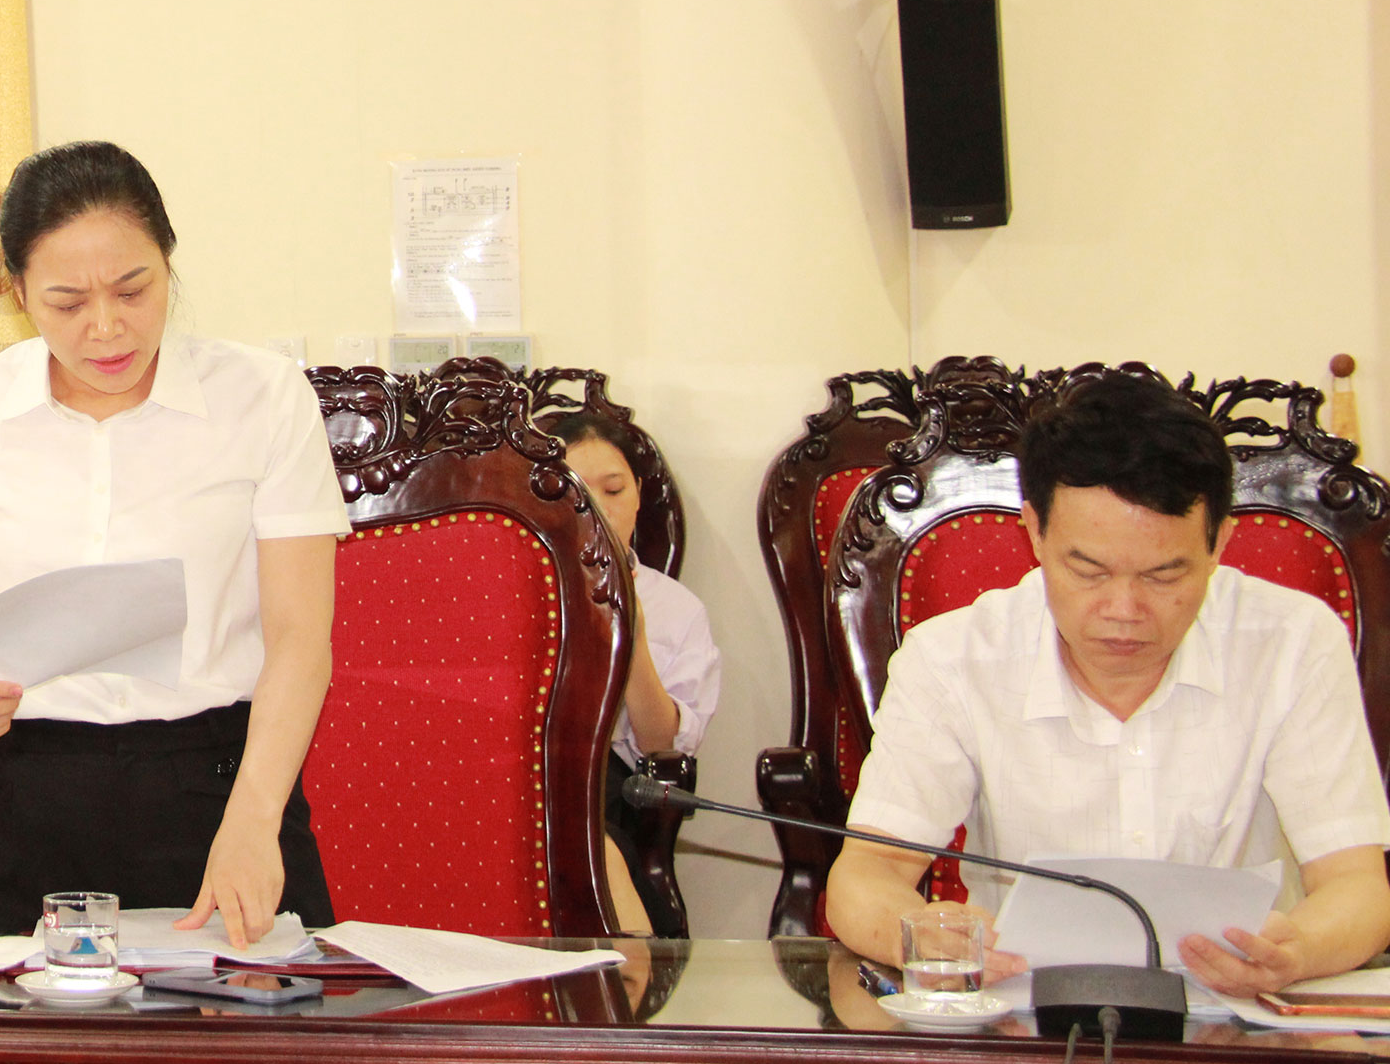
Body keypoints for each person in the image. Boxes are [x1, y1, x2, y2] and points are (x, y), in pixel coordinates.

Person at [0, 140, 350, 946]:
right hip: (27, 791)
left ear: (168, 262)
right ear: (19, 293)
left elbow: (301, 636)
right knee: (28, 1026)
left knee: (255, 1020)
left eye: (134, 289)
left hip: (221, 783)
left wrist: (254, 816)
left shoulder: (263, 399)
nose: (106, 327)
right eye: (66, 302)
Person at [829, 373, 1390, 996]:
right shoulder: (953, 658)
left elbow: (1356, 886)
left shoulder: (1292, 641)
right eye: (1089, 570)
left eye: (1163, 575)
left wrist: (1298, 952)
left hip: (1235, 1011)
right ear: (1035, 531)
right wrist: (916, 934)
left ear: (1219, 544)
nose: (1123, 610)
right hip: (1027, 1012)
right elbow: (867, 875)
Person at [551, 411, 721, 936]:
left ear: (640, 495)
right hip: (518, 777)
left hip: (611, 794)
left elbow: (662, 749)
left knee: (591, 825)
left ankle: (634, 969)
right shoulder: (502, 588)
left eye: (614, 490)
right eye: (576, 493)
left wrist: (635, 638)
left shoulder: (676, 608)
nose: (598, 509)